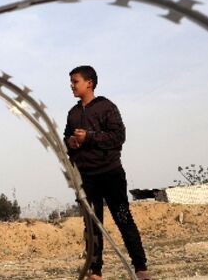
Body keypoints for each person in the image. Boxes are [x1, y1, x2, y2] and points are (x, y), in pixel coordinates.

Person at [64, 65, 151, 280]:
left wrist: (90, 137)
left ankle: (141, 269)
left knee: (123, 218)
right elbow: (66, 139)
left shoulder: (106, 107)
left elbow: (118, 137)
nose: (71, 86)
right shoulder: (73, 114)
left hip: (110, 174)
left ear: (89, 83)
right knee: (92, 225)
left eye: (75, 81)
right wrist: (72, 142)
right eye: (71, 82)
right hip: (87, 179)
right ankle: (95, 272)